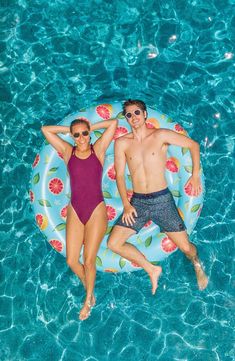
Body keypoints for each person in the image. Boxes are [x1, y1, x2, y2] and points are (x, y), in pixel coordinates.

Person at [108, 99, 208, 294]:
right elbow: (119, 176)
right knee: (114, 243)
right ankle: (152, 268)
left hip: (162, 200)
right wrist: (127, 206)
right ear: (126, 119)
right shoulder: (122, 143)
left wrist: (195, 175)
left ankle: (197, 265)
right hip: (138, 203)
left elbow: (194, 145)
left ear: (145, 114)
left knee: (186, 247)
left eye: (137, 113)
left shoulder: (160, 135)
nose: (133, 117)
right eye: (129, 115)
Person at [41, 116, 117, 320]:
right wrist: (68, 129)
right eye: (77, 134)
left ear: (89, 133)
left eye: (85, 133)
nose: (82, 137)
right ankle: (89, 288)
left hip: (96, 210)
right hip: (75, 209)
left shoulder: (98, 150)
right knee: (72, 260)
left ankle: (87, 302)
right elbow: (46, 129)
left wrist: (90, 126)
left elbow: (113, 124)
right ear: (72, 137)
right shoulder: (68, 151)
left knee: (89, 260)